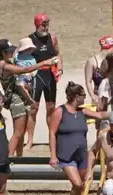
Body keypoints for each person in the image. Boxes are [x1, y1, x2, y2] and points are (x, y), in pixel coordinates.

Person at [0, 38, 52, 157]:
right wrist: (43, 63)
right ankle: (7, 159)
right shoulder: (4, 65)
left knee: (21, 132)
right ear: (3, 53)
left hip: (18, 97)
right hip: (15, 99)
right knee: (18, 133)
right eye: (9, 51)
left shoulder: (4, 62)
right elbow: (24, 70)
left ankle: (19, 157)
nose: (12, 53)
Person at [47, 83, 98, 195]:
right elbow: (52, 133)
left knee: (82, 186)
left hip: (81, 155)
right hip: (66, 156)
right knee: (76, 183)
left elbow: (100, 115)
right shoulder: (60, 111)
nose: (85, 98)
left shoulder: (82, 111)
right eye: (84, 96)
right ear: (76, 97)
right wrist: (53, 156)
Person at [28, 14, 62, 146]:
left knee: (51, 107)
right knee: (33, 108)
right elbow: (22, 58)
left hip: (50, 74)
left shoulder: (52, 38)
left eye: (47, 24)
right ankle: (30, 140)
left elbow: (58, 54)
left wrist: (60, 68)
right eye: (44, 24)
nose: (46, 27)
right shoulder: (30, 40)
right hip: (36, 75)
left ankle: (52, 137)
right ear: (37, 24)